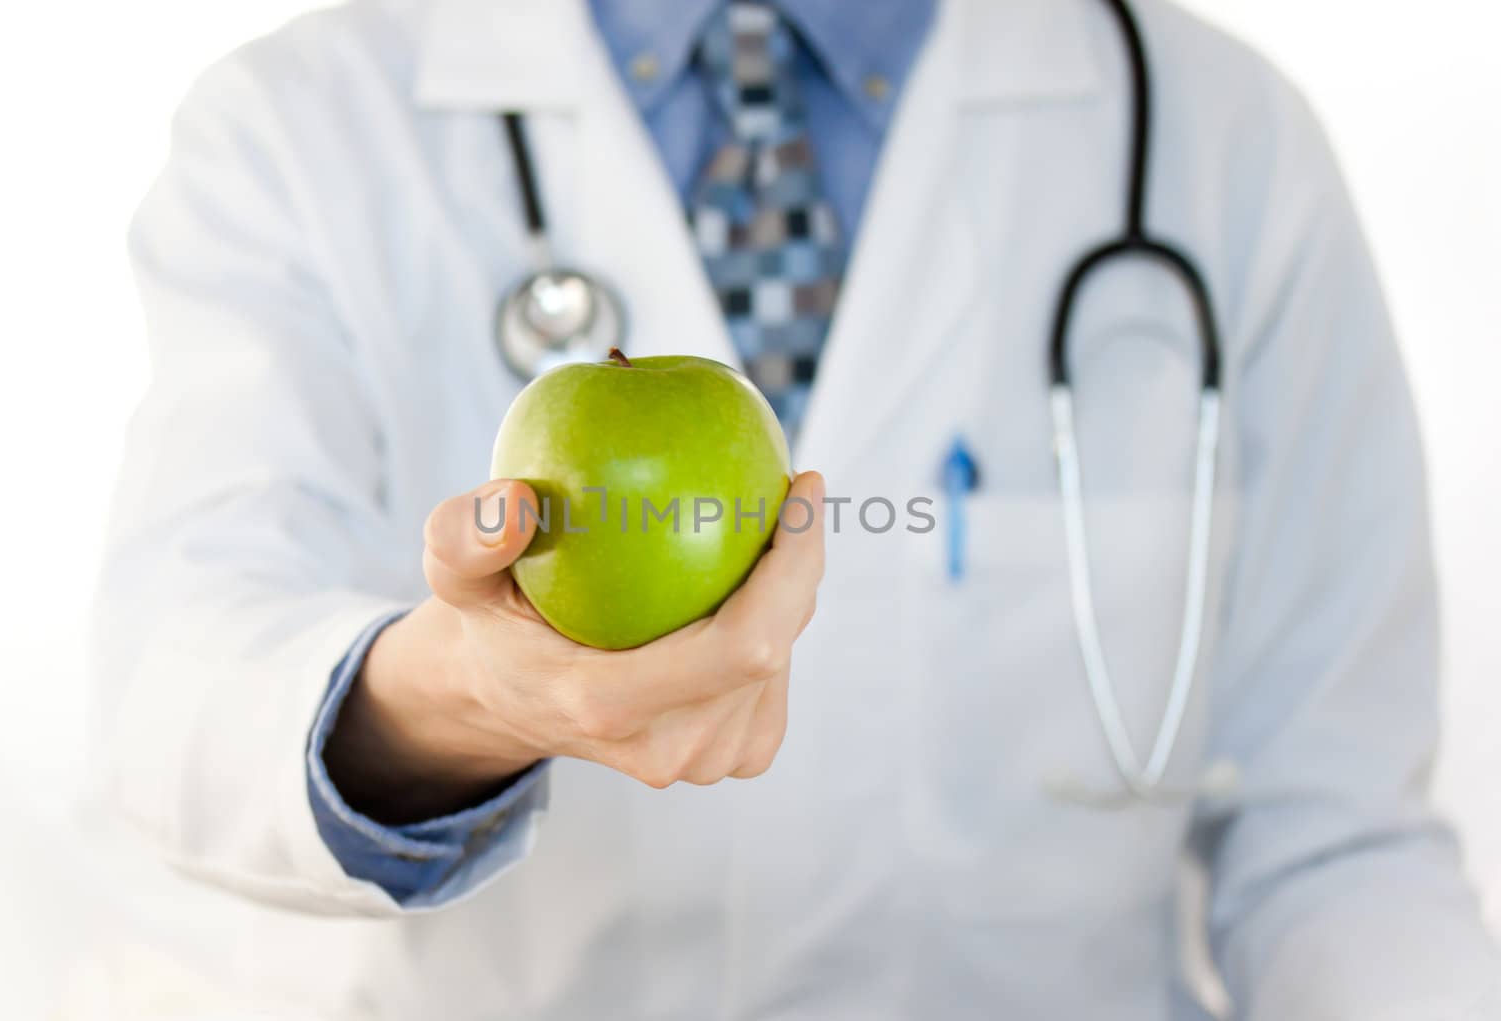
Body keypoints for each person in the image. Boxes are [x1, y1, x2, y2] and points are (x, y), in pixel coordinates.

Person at [92, 0, 1500, 1016]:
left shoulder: (1216, 138)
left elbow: (1337, 840)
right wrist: (458, 700)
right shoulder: (303, 127)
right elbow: (179, 688)